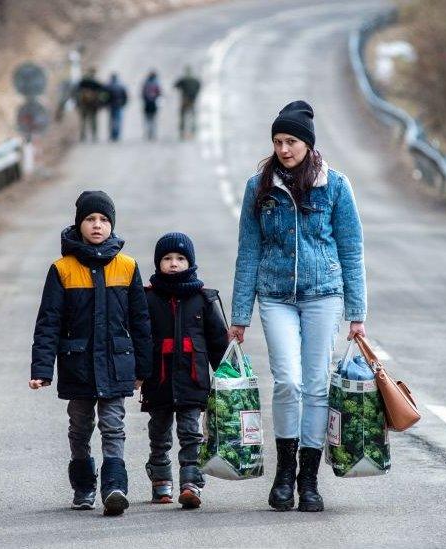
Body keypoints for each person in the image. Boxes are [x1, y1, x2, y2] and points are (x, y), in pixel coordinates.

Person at [229, 100, 367, 513]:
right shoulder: (259, 187)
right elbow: (248, 251)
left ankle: (309, 480)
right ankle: (284, 474)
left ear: (307, 143)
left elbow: (351, 249)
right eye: (277, 141)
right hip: (275, 296)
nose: (284, 149)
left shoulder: (335, 186)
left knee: (317, 385)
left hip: (324, 294)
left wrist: (356, 313)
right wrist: (239, 316)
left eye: (291, 141)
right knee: (287, 381)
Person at [30, 190, 152, 516]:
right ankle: (84, 486)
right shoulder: (63, 269)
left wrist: (143, 368)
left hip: (116, 364)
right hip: (78, 365)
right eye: (90, 219)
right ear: (79, 224)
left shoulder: (127, 267)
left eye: (103, 220)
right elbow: (49, 322)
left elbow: (140, 322)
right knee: (80, 426)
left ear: (112, 225)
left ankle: (114, 487)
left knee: (113, 425)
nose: (97, 225)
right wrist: (42, 369)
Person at [140, 232, 229, 509]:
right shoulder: (148, 298)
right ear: (158, 264)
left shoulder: (203, 298)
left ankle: (191, 483)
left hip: (193, 380)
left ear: (190, 262)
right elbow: (139, 339)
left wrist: (227, 375)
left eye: (180, 258)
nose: (174, 263)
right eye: (167, 259)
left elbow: (218, 342)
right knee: (159, 432)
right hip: (159, 380)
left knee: (191, 432)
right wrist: (137, 373)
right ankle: (160, 480)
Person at [76, 68, 106, 142]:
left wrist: (78, 104)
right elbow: (102, 94)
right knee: (93, 121)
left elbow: (77, 93)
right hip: (93, 105)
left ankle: (83, 136)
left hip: (83, 105)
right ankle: (94, 136)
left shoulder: (82, 82)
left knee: (83, 121)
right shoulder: (97, 83)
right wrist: (101, 104)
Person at [173, 66, 201, 140]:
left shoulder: (183, 80)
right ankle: (193, 131)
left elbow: (175, 86)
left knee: (182, 116)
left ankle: (182, 132)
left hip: (184, 100)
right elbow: (199, 86)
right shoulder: (195, 80)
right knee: (192, 116)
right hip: (192, 101)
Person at [105, 73, 128, 142]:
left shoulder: (108, 86)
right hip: (119, 106)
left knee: (111, 121)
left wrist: (106, 104)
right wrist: (123, 104)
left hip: (111, 106)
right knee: (118, 121)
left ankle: (112, 134)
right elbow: (125, 96)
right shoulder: (121, 85)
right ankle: (117, 135)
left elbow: (104, 97)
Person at [141, 70, 162, 141]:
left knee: (147, 119)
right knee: (153, 119)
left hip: (147, 104)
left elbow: (142, 94)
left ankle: (148, 133)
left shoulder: (146, 83)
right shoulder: (156, 83)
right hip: (154, 104)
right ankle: (152, 133)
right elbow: (160, 93)